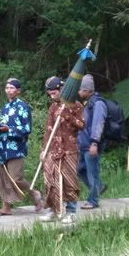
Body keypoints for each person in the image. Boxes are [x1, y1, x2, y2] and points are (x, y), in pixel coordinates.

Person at [0, 78, 43, 215]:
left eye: (12, 88)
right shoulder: (5, 108)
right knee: (1, 178)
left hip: (16, 148)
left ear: (18, 91)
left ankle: (34, 193)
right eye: (7, 88)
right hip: (1, 148)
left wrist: (7, 129)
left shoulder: (23, 107)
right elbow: (1, 125)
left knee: (16, 179)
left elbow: (26, 128)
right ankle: (6, 207)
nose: (9, 90)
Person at [40, 77, 85, 223]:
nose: (52, 96)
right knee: (50, 181)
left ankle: (71, 212)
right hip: (53, 150)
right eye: (50, 94)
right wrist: (43, 149)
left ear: (61, 90)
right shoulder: (53, 107)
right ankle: (53, 210)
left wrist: (68, 116)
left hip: (69, 150)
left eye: (54, 93)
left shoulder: (76, 105)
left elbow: (82, 124)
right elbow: (48, 130)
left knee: (69, 181)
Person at [77, 74, 107, 209]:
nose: (78, 92)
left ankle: (93, 200)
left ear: (88, 90)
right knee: (80, 170)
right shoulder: (87, 103)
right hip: (83, 145)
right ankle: (99, 187)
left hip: (91, 145)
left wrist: (94, 143)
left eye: (81, 90)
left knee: (92, 173)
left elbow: (97, 124)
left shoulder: (98, 103)